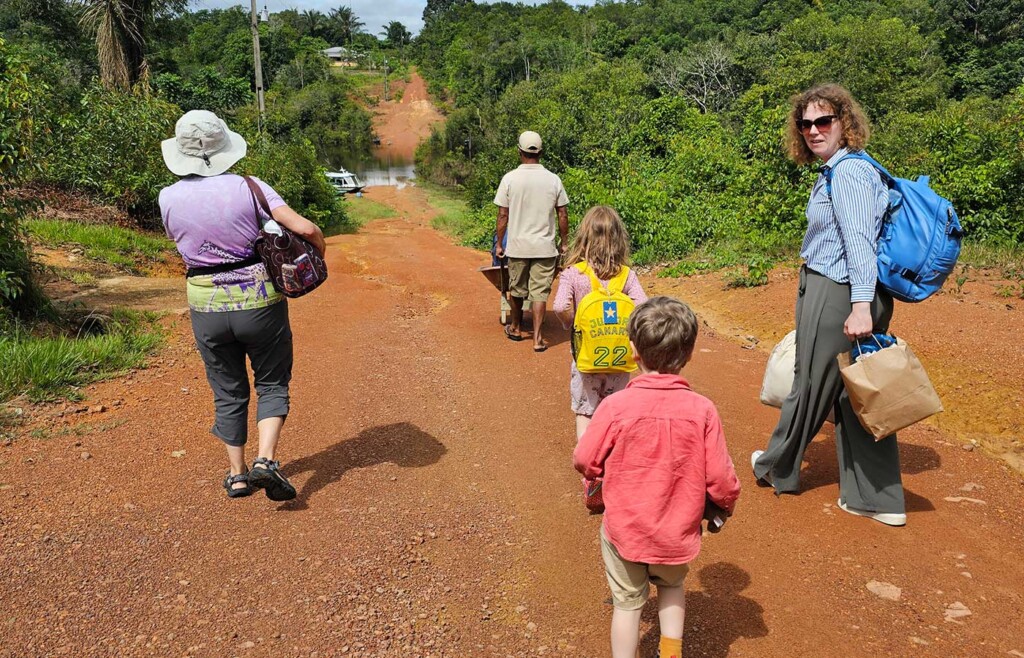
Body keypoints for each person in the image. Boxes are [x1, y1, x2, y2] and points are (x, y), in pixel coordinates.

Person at [751, 83, 906, 526]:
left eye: (824, 121)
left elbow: (859, 244)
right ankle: (877, 498)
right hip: (845, 291)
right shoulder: (840, 170)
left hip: (839, 292)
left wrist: (859, 306)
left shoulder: (851, 172)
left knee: (810, 384)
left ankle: (776, 466)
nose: (814, 131)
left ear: (845, 123)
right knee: (856, 396)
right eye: (806, 124)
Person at [159, 110, 326, 501]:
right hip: (259, 302)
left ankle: (236, 475)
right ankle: (265, 462)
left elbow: (180, 241)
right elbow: (304, 229)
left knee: (227, 389)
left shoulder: (167, 197)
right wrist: (320, 248)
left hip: (205, 305)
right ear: (224, 147)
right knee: (271, 379)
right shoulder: (250, 187)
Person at [573, 296, 741, 658]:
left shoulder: (615, 406)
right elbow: (722, 480)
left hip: (625, 529)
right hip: (677, 529)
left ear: (633, 350)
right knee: (671, 587)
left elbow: (585, 458)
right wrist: (724, 506)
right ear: (690, 353)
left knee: (628, 604)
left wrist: (597, 475)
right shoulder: (703, 410)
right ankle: (670, 652)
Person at [553, 206, 647, 442]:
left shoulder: (574, 273)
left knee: (586, 411)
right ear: (619, 240)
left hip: (586, 359)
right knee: (616, 412)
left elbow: (560, 306)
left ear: (583, 237)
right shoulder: (627, 275)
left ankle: (590, 468)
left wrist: (574, 325)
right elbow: (642, 307)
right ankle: (613, 462)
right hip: (618, 358)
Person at [493, 130, 569, 352]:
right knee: (540, 293)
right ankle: (537, 339)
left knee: (516, 289)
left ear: (520, 151)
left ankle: (516, 328)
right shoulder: (553, 180)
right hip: (545, 248)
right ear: (541, 152)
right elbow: (562, 214)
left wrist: (499, 244)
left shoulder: (510, 179)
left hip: (518, 246)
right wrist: (564, 243)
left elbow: (503, 215)